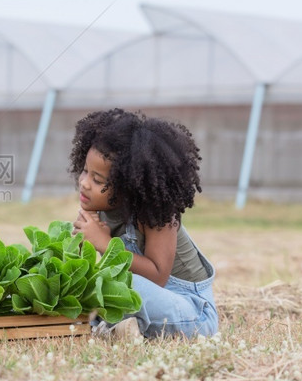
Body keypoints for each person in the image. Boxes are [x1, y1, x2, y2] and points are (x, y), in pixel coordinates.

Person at [69, 108, 217, 339]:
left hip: (192, 313)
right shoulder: (100, 210)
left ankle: (112, 325)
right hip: (146, 304)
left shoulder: (158, 215)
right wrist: (78, 244)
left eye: (97, 180)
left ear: (129, 187)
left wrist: (105, 244)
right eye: (85, 172)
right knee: (93, 283)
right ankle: (118, 327)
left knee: (127, 285)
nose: (85, 183)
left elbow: (158, 276)